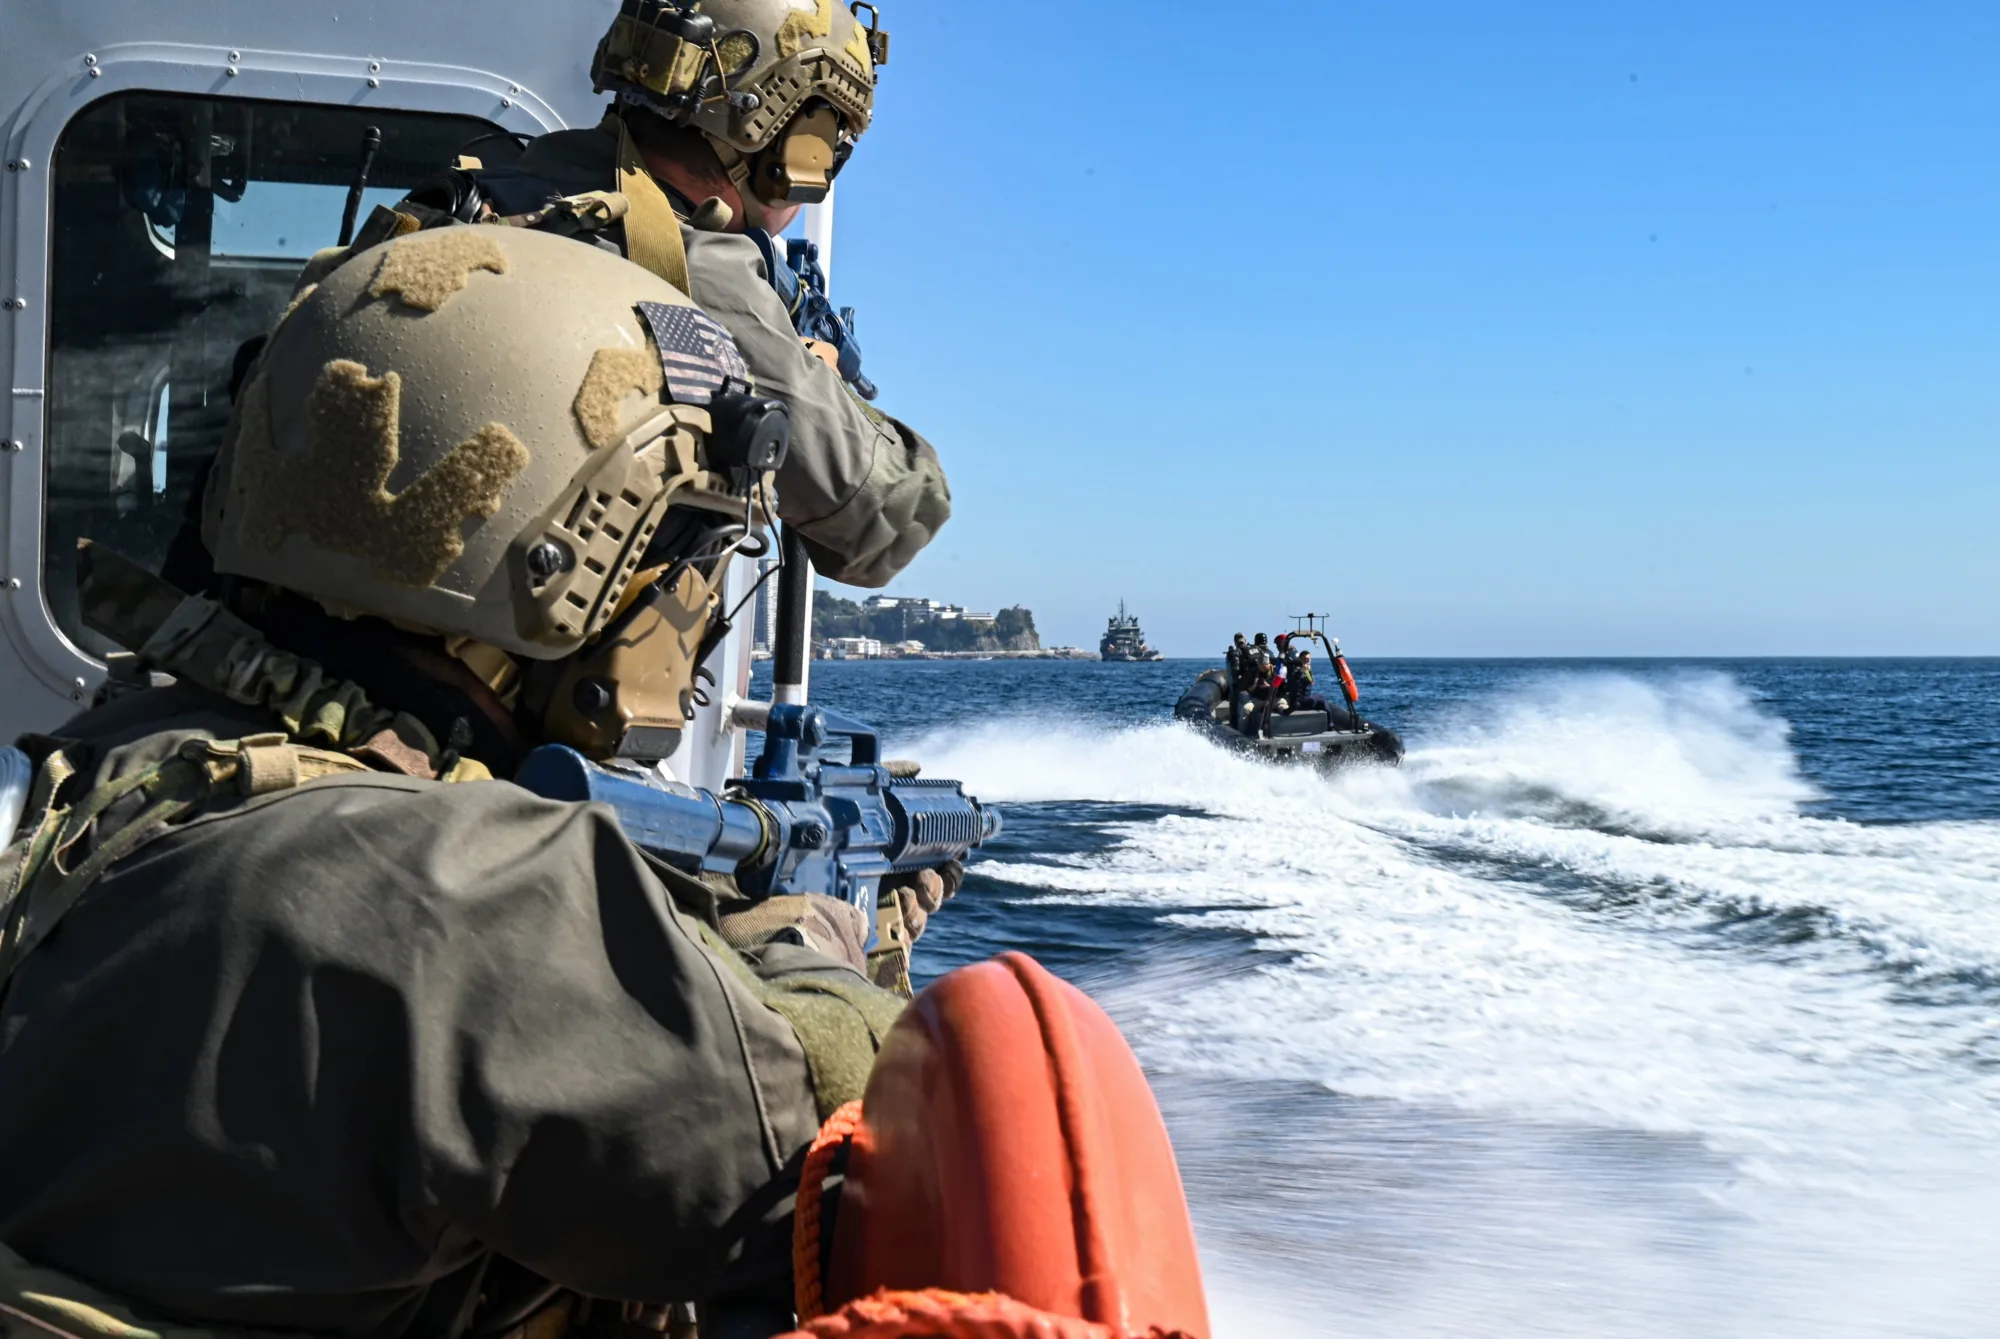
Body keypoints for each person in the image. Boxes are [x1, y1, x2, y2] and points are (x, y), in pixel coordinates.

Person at [0, 227, 947, 1337]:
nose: (685, 618)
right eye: (681, 562)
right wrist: (825, 958)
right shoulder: (475, 894)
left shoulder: (143, 758)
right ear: (562, 566)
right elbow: (849, 1174)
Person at [337, 0, 945, 591]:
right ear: (794, 145)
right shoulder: (692, 266)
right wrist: (822, 377)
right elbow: (887, 523)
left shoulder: (472, 193)